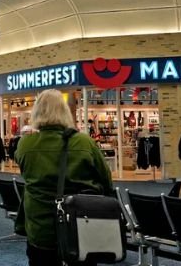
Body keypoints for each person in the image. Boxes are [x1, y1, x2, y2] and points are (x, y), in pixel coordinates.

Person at [16, 89, 113, 266]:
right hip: (80, 226)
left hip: (40, 228)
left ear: (36, 112)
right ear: (64, 111)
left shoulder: (25, 144)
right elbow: (106, 181)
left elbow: (26, 173)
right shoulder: (84, 142)